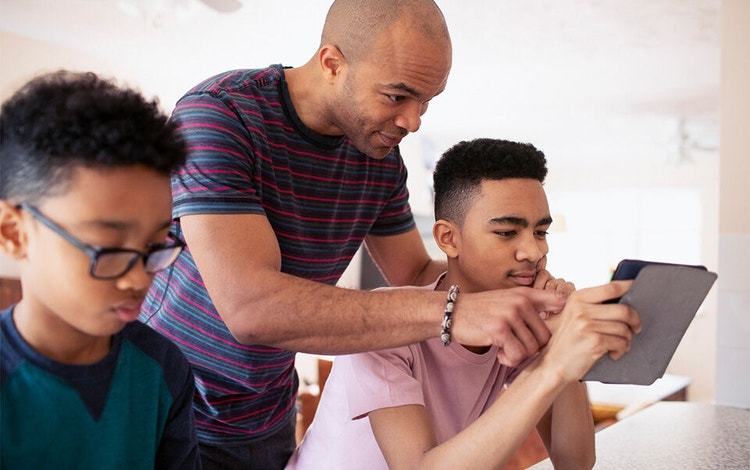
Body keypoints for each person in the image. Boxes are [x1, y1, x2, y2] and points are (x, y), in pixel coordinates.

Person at [140, 1, 566, 468]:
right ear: (332, 64)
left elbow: (419, 273)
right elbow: (251, 308)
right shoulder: (221, 117)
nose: (413, 121)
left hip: (265, 415)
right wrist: (456, 309)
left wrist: (522, 289)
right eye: (396, 96)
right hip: (169, 406)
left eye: (426, 101)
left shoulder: (379, 161)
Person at [285, 138, 641, 470]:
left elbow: (573, 460)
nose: (535, 252)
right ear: (448, 238)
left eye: (540, 232)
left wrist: (562, 341)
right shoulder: (383, 326)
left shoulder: (526, 321)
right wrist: (555, 365)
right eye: (506, 232)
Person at [0, 71, 201, 469]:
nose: (139, 278)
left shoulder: (162, 369)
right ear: (14, 233)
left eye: (154, 246)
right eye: (108, 248)